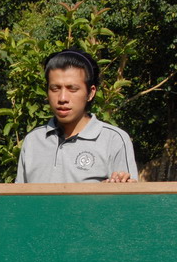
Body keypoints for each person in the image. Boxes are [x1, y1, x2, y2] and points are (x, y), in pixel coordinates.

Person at [15, 49, 137, 183]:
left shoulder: (113, 140)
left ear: (90, 93)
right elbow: (19, 195)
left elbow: (127, 194)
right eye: (55, 88)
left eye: (72, 89)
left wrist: (115, 187)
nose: (62, 98)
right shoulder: (33, 141)